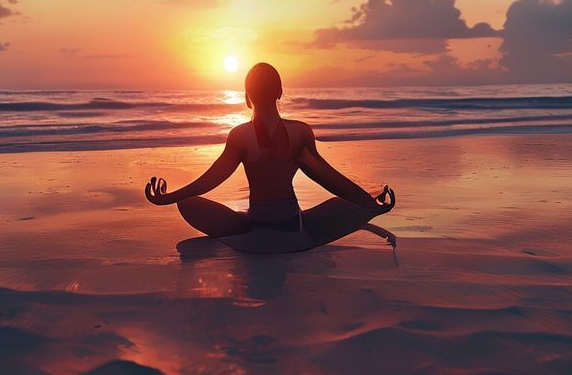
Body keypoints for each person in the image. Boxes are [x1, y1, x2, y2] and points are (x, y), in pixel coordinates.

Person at [144, 62, 396, 253]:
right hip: (294, 230)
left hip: (253, 231)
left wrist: (170, 197)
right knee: (355, 202)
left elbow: (212, 179)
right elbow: (328, 177)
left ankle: (248, 223)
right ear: (280, 92)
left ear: (246, 97)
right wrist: (368, 203)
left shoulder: (240, 136)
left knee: (188, 203)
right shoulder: (300, 132)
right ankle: (368, 205)